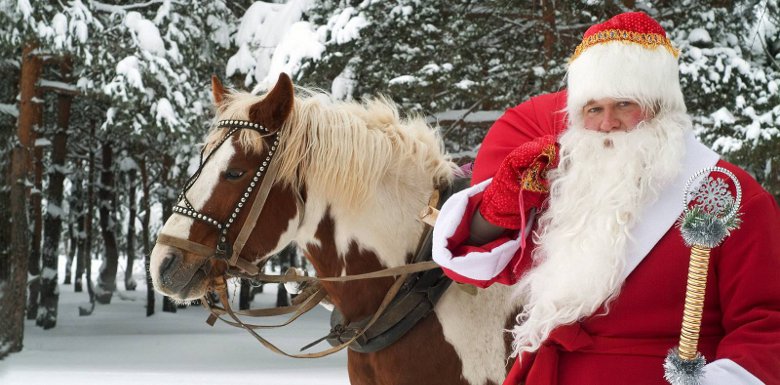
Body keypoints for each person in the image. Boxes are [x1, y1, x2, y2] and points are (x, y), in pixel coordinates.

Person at [432, 11, 780, 385]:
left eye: (624, 105)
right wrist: (499, 206)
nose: (607, 123)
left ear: (660, 106)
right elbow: (474, 268)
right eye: (594, 109)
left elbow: (767, 327)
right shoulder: (570, 189)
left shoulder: (727, 195)